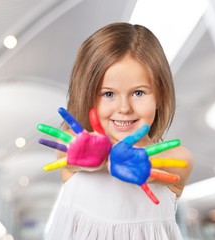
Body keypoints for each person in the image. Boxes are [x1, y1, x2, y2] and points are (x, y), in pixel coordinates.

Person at [43, 22, 194, 240]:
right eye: (108, 94)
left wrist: (131, 162)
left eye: (139, 93)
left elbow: (171, 164)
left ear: (160, 96)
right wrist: (100, 157)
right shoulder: (76, 143)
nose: (124, 108)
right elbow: (69, 151)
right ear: (86, 95)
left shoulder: (177, 158)